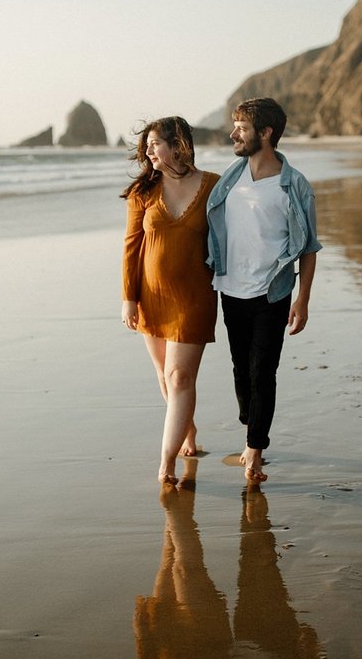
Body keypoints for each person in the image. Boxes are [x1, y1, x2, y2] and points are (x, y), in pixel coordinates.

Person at [206, 98, 321, 482]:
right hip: (230, 288)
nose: (233, 133)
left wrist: (302, 300)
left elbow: (308, 248)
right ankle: (251, 423)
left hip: (272, 292)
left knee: (262, 370)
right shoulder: (229, 179)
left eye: (241, 127)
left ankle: (255, 448)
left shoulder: (294, 185)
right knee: (242, 371)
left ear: (266, 133)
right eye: (235, 126)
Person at [121, 116, 220, 485]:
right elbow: (131, 247)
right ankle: (187, 432)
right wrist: (128, 298)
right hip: (151, 296)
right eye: (145, 146)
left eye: (155, 144)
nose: (148, 151)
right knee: (165, 375)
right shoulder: (142, 191)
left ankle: (166, 463)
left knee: (180, 377)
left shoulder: (213, 186)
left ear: (178, 144)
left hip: (195, 295)